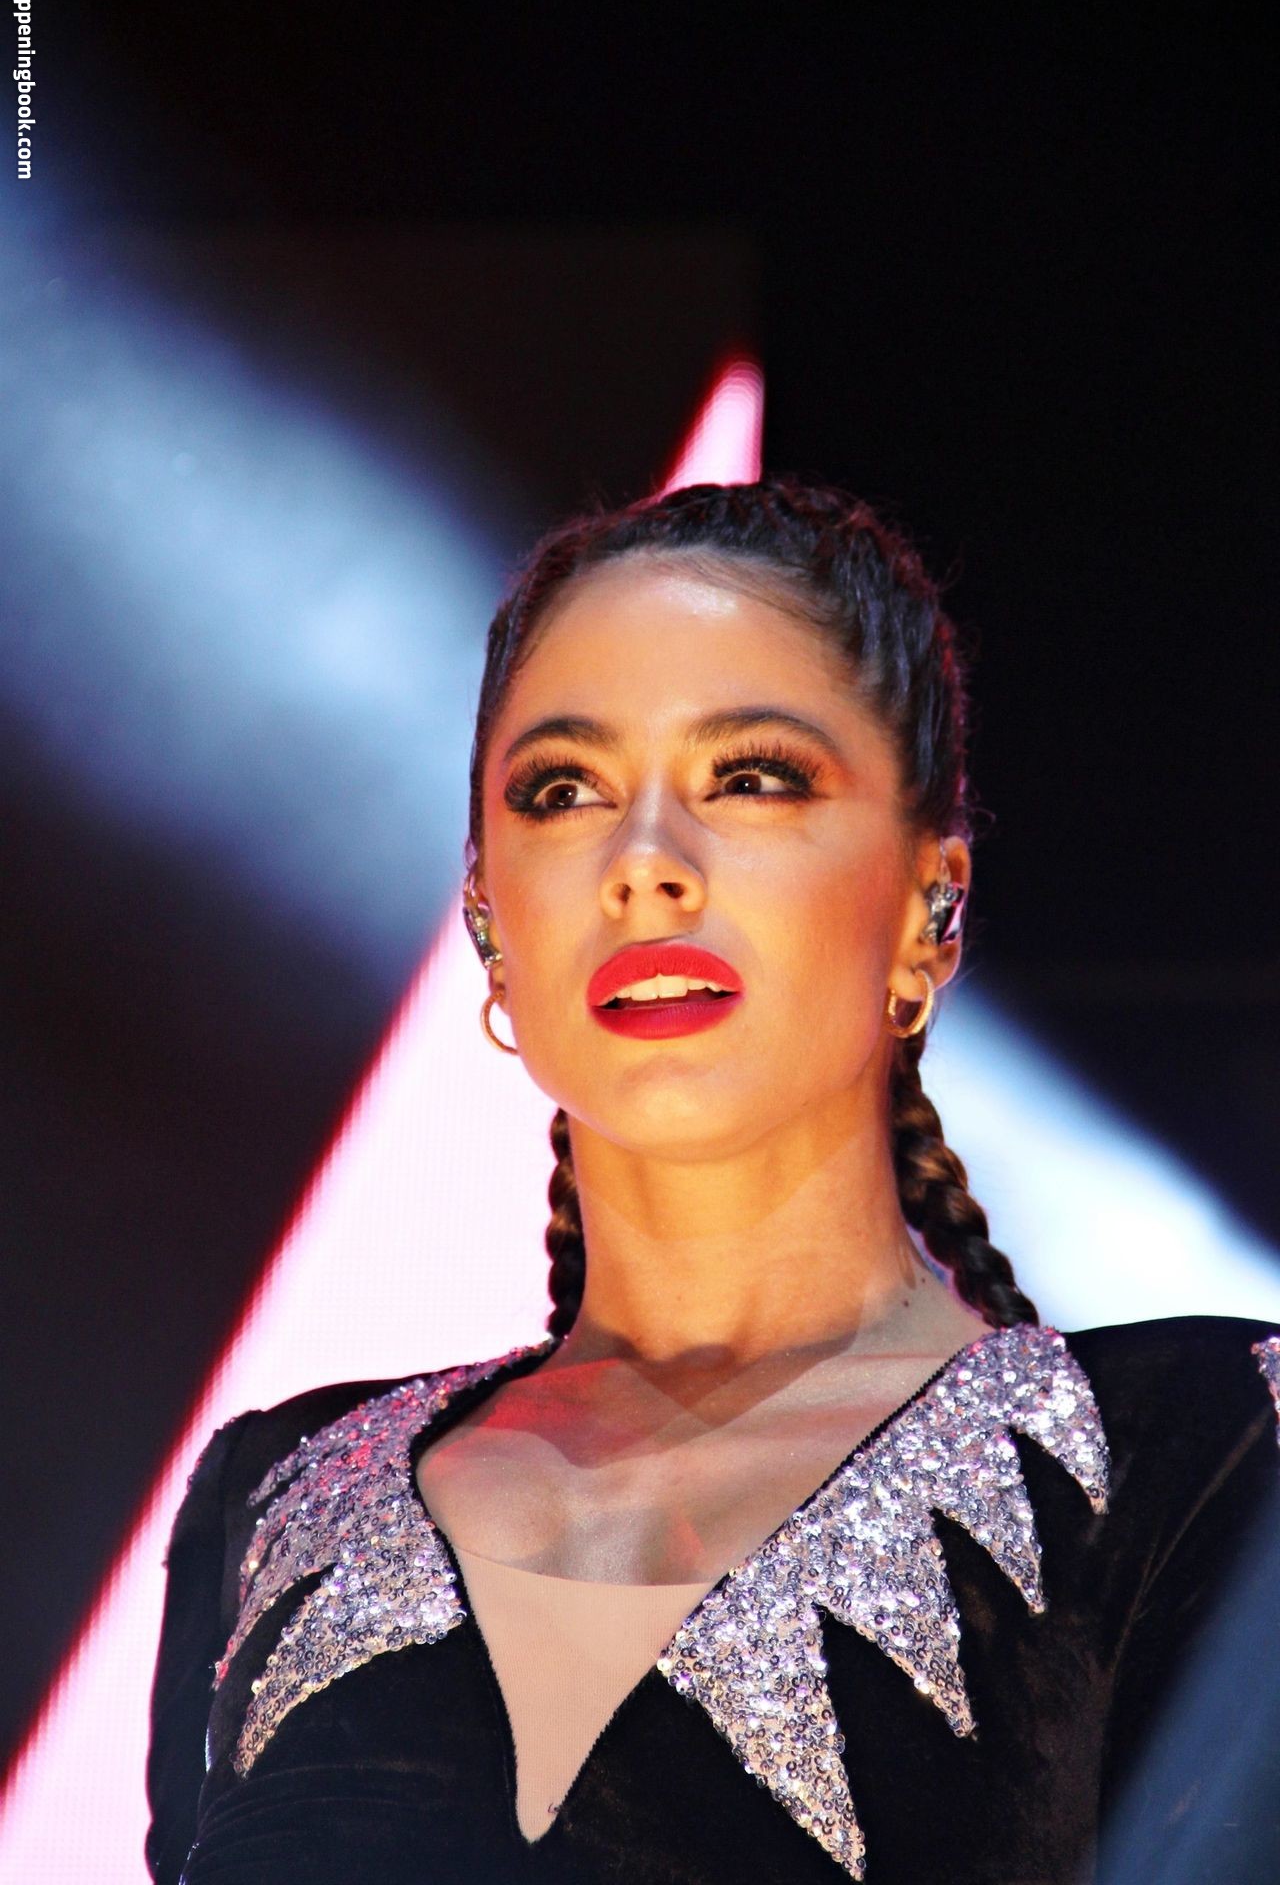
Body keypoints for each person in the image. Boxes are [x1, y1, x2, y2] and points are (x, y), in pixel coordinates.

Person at [146, 477, 1280, 1884]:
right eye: (564, 792)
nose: (646, 866)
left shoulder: (1198, 1452)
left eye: (752, 777)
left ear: (930, 901)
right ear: (490, 920)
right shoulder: (275, 1500)